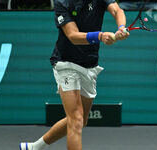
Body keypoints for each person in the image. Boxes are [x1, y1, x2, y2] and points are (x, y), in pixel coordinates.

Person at [19, 0, 129, 150]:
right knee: (76, 119)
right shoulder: (62, 3)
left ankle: (35, 147)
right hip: (66, 63)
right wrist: (100, 36)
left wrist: (121, 27)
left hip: (89, 64)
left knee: (81, 120)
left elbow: (117, 11)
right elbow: (73, 35)